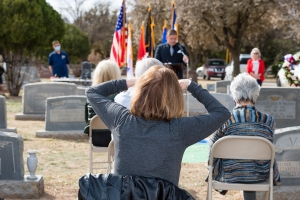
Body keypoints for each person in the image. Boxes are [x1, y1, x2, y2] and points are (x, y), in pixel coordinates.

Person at [86, 65, 230, 186]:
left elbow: (92, 92)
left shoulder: (121, 120)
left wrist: (129, 82)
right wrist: (191, 86)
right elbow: (222, 112)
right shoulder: (180, 129)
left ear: (140, 91)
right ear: (175, 97)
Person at [208, 73, 280, 200]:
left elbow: (212, 149)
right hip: (259, 174)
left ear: (233, 95)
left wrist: (210, 167)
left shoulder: (224, 119)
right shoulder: (268, 121)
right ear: (256, 94)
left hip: (230, 174)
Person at [83, 60, 121, 147]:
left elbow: (87, 120)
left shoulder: (90, 96)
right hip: (116, 138)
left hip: (96, 138)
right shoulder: (120, 97)